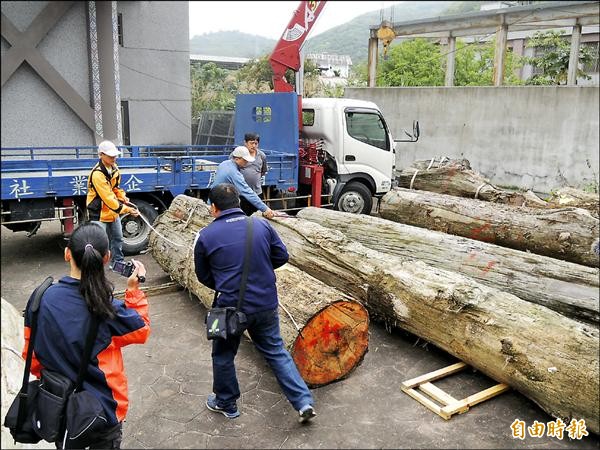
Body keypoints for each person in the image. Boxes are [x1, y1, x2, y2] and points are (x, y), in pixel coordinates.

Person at [194, 183, 316, 423]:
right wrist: (258, 273)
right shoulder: (260, 224)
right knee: (276, 352)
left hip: (228, 308)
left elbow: (203, 276)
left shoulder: (206, 236)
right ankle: (303, 402)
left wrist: (226, 283)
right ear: (238, 202)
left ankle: (226, 404)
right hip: (265, 304)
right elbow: (282, 256)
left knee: (223, 355)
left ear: (213, 207)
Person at [21, 223, 150, 449]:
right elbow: (141, 330)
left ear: (67, 254)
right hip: (102, 410)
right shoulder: (108, 308)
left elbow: (31, 357)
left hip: (58, 405)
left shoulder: (40, 299)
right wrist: (134, 290)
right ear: (107, 258)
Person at [86, 140, 139, 269]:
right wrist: (127, 209)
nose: (114, 158)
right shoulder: (97, 174)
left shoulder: (114, 168)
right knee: (99, 242)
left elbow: (115, 189)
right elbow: (108, 198)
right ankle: (95, 268)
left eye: (114, 155)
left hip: (111, 211)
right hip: (98, 212)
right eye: (110, 156)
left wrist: (123, 197)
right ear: (101, 155)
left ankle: (118, 264)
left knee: (118, 238)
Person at [212, 145, 275, 219]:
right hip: (220, 207)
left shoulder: (224, 164)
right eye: (245, 160)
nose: (247, 162)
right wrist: (265, 209)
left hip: (213, 202)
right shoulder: (234, 173)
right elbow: (247, 192)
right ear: (237, 159)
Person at [233, 132, 268, 216]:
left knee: (256, 217)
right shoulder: (237, 154)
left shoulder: (261, 156)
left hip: (256, 193)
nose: (254, 146)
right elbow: (232, 170)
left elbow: (263, 171)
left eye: (256, 143)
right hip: (241, 194)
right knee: (241, 216)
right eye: (251, 143)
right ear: (245, 143)